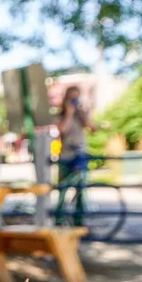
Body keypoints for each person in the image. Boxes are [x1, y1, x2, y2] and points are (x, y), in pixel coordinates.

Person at [55, 86, 96, 226]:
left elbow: (92, 128)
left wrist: (85, 112)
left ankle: (79, 221)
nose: (74, 100)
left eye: (76, 97)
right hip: (66, 155)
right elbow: (62, 130)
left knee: (81, 191)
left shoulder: (81, 115)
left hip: (80, 155)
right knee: (63, 189)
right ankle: (59, 220)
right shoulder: (61, 115)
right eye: (71, 97)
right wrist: (69, 113)